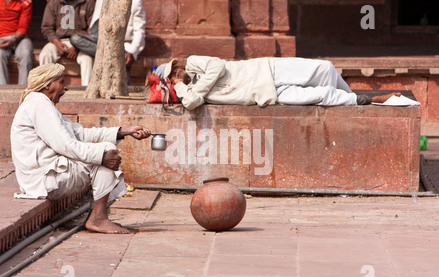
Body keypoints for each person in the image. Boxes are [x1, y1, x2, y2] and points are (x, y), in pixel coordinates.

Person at [11, 63, 152, 234]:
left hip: (45, 176)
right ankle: (98, 218)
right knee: (105, 152)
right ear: (48, 84)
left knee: (103, 151)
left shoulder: (40, 103)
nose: (66, 88)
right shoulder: (38, 104)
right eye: (62, 82)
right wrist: (101, 156)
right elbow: (66, 145)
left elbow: (80, 134)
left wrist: (123, 131)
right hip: (43, 180)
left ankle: (98, 216)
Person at [159, 56, 400, 110]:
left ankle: (361, 100)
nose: (178, 73)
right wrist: (179, 86)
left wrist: (196, 87)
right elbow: (191, 103)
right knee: (320, 96)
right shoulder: (188, 91)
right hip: (266, 94)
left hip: (269, 69)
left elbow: (218, 66)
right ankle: (366, 101)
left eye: (176, 70)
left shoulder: (193, 63)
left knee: (324, 68)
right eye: (173, 75)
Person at [70, 0, 146, 84]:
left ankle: (119, 58)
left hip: (123, 44)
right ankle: (116, 56)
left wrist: (132, 52)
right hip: (102, 41)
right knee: (75, 38)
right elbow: (95, 26)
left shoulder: (135, 2)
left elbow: (139, 31)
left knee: (124, 57)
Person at [39, 0, 95, 86]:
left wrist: (77, 47)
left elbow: (92, 30)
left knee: (87, 59)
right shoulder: (54, 3)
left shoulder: (88, 3)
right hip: (59, 41)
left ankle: (86, 89)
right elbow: (47, 28)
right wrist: (56, 42)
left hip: (82, 43)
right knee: (45, 54)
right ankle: (46, 87)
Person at [0, 0, 33, 86]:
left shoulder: (26, 2)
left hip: (20, 37)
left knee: (26, 53)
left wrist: (13, 40)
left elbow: (23, 26)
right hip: (1, 38)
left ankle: (24, 90)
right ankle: (2, 91)